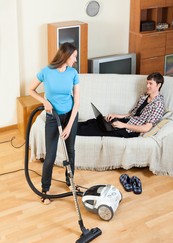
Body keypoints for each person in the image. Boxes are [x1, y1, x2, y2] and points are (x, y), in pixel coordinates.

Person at [29, 42, 80, 204]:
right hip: (53, 117)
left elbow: (77, 102)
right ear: (66, 56)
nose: (75, 60)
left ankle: (70, 181)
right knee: (50, 155)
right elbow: (31, 90)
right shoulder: (47, 71)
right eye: (74, 57)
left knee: (70, 150)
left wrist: (70, 125)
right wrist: (44, 101)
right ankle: (46, 189)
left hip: (70, 115)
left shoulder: (73, 73)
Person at [77, 72, 165, 138]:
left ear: (158, 85)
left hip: (130, 131)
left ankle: (69, 131)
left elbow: (147, 128)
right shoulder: (144, 96)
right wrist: (116, 116)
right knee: (94, 121)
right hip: (127, 122)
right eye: (147, 83)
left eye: (150, 83)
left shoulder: (158, 104)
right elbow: (132, 114)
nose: (147, 86)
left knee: (93, 128)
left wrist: (123, 125)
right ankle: (68, 125)